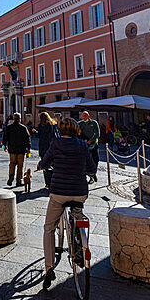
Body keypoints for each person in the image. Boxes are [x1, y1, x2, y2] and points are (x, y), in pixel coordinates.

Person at [38, 117, 96, 289]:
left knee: (49, 228)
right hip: (79, 193)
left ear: (61, 130)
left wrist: (42, 165)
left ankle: (49, 267)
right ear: (76, 130)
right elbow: (92, 169)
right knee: (77, 211)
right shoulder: (82, 145)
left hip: (59, 193)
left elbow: (46, 161)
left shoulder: (56, 143)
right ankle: (79, 240)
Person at [4, 112, 31, 187]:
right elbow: (27, 139)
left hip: (12, 149)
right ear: (19, 119)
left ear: (13, 119)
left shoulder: (9, 127)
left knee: (12, 163)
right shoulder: (23, 128)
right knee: (20, 165)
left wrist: (4, 146)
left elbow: (5, 137)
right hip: (21, 150)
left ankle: (11, 175)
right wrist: (28, 148)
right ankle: (18, 180)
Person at [37, 112, 60, 189]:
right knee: (54, 165)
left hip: (43, 148)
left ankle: (48, 184)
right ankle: (54, 183)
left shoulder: (40, 126)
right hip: (52, 147)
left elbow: (38, 135)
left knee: (45, 166)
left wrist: (34, 131)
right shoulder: (52, 125)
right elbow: (57, 136)